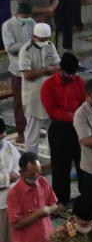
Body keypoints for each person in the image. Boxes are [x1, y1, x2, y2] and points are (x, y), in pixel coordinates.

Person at [39, 52, 84, 205]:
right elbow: (52, 111)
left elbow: (84, 102)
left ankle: (86, 195)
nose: (71, 77)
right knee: (60, 167)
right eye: (68, 73)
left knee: (82, 164)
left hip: (78, 129)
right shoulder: (49, 85)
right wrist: (73, 115)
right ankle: (61, 200)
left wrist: (77, 116)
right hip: (59, 130)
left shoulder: (78, 81)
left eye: (73, 73)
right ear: (60, 69)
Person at [19, 22, 59, 153]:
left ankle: (54, 156)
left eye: (47, 39)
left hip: (50, 95)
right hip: (33, 98)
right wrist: (46, 69)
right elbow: (28, 74)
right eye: (43, 40)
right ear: (34, 36)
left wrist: (52, 69)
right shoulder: (26, 50)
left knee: (53, 132)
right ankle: (31, 161)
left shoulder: (50, 46)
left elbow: (57, 65)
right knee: (32, 134)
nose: (45, 42)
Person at [3, 1, 35, 144]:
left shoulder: (32, 22)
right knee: (19, 102)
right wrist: (28, 46)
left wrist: (23, 49)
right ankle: (21, 131)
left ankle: (32, 129)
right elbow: (10, 48)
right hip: (17, 70)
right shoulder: (8, 26)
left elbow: (36, 41)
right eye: (24, 16)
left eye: (29, 16)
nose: (27, 18)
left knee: (32, 101)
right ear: (18, 13)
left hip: (32, 68)